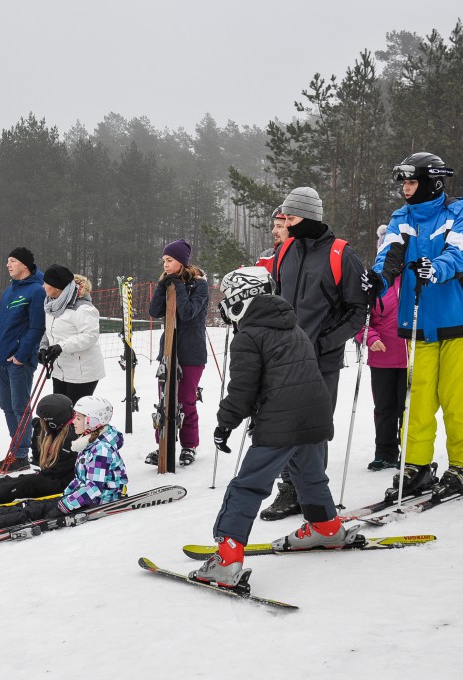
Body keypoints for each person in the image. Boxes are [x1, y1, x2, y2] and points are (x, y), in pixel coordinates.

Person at [192, 267, 360, 588]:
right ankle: (326, 528)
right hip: (313, 417)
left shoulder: (248, 336)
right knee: (309, 476)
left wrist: (225, 424)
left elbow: (243, 391)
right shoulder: (293, 328)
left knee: (248, 485)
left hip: (280, 422)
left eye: (228, 299)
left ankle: (226, 559)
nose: (226, 306)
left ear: (241, 298)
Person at [363, 152, 463, 498]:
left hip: (459, 320)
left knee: (454, 396)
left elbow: (460, 254)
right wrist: (377, 282)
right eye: (403, 182)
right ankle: (416, 466)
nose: (406, 188)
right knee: (418, 398)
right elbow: (388, 256)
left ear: (433, 182)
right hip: (417, 322)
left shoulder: (460, 213)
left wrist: (435, 268)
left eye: (411, 181)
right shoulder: (401, 218)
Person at [258, 187, 368, 521]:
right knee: (283, 423)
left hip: (322, 357)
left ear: (309, 216)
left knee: (314, 427)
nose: (285, 225)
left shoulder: (341, 254)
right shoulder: (286, 251)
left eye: (291, 218)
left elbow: (357, 311)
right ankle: (289, 490)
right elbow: (274, 300)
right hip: (284, 356)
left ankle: (314, 495)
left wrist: (324, 342)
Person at [0, 395, 127, 536]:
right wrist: (67, 495)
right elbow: (81, 479)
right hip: (79, 498)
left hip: (97, 501)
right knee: (32, 505)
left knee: (36, 512)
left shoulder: (101, 450)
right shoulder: (89, 443)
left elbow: (93, 488)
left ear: (92, 422)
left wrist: (65, 504)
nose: (73, 421)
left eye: (78, 418)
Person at [145, 238, 209, 467]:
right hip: (168, 351)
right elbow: (154, 311)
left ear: (181, 262)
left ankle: (189, 445)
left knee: (185, 400)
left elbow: (188, 312)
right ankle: (163, 443)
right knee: (164, 399)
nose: (165, 264)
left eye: (170, 260)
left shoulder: (199, 285)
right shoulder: (167, 282)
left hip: (191, 352)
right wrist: (163, 287)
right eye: (163, 260)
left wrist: (179, 287)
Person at [355, 225, 408, 471]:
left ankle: (412, 455)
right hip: (382, 357)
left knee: (408, 408)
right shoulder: (374, 283)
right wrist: (369, 336)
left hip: (411, 356)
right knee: (385, 407)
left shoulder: (412, 279)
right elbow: (358, 321)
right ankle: (385, 452)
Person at [0, 247, 46, 472]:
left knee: (19, 406)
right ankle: (15, 450)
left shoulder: (36, 290)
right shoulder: (10, 289)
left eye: (12, 260)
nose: (8, 264)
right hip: (0, 358)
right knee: (6, 406)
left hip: (18, 361)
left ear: (24, 264)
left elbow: (36, 327)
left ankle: (22, 454)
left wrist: (21, 356)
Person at [37, 264, 106, 403]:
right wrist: (43, 348)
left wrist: (61, 346)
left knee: (74, 416)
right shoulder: (52, 304)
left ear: (56, 286)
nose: (43, 286)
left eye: (46, 283)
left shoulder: (82, 307)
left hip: (82, 372)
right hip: (60, 369)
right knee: (61, 414)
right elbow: (50, 330)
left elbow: (90, 335)